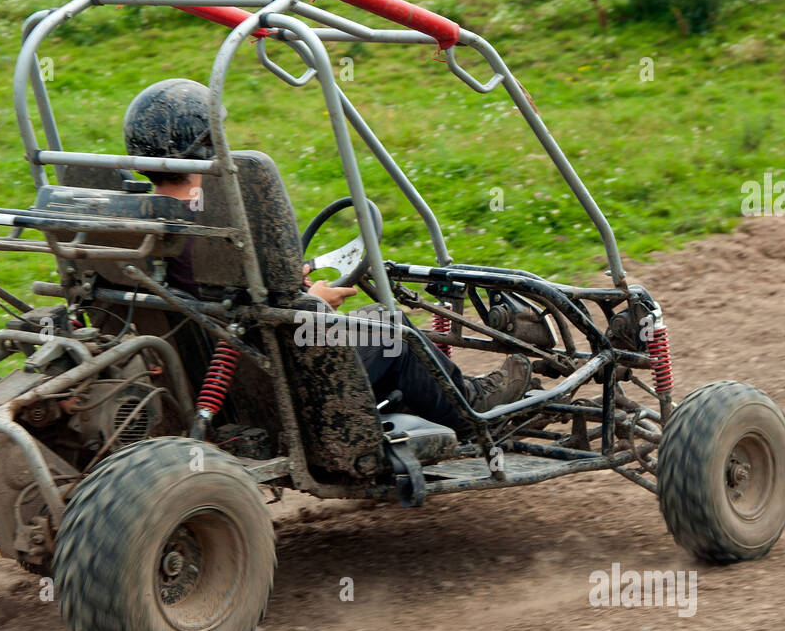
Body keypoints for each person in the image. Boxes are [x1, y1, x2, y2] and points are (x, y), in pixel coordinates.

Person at [121, 78, 532, 430]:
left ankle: (413, 404)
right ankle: (475, 406)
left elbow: (224, 298)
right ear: (208, 143)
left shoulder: (139, 225)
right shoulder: (215, 226)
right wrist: (315, 300)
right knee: (395, 335)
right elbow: (270, 317)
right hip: (271, 377)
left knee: (372, 323)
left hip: (201, 374)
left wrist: (285, 283)